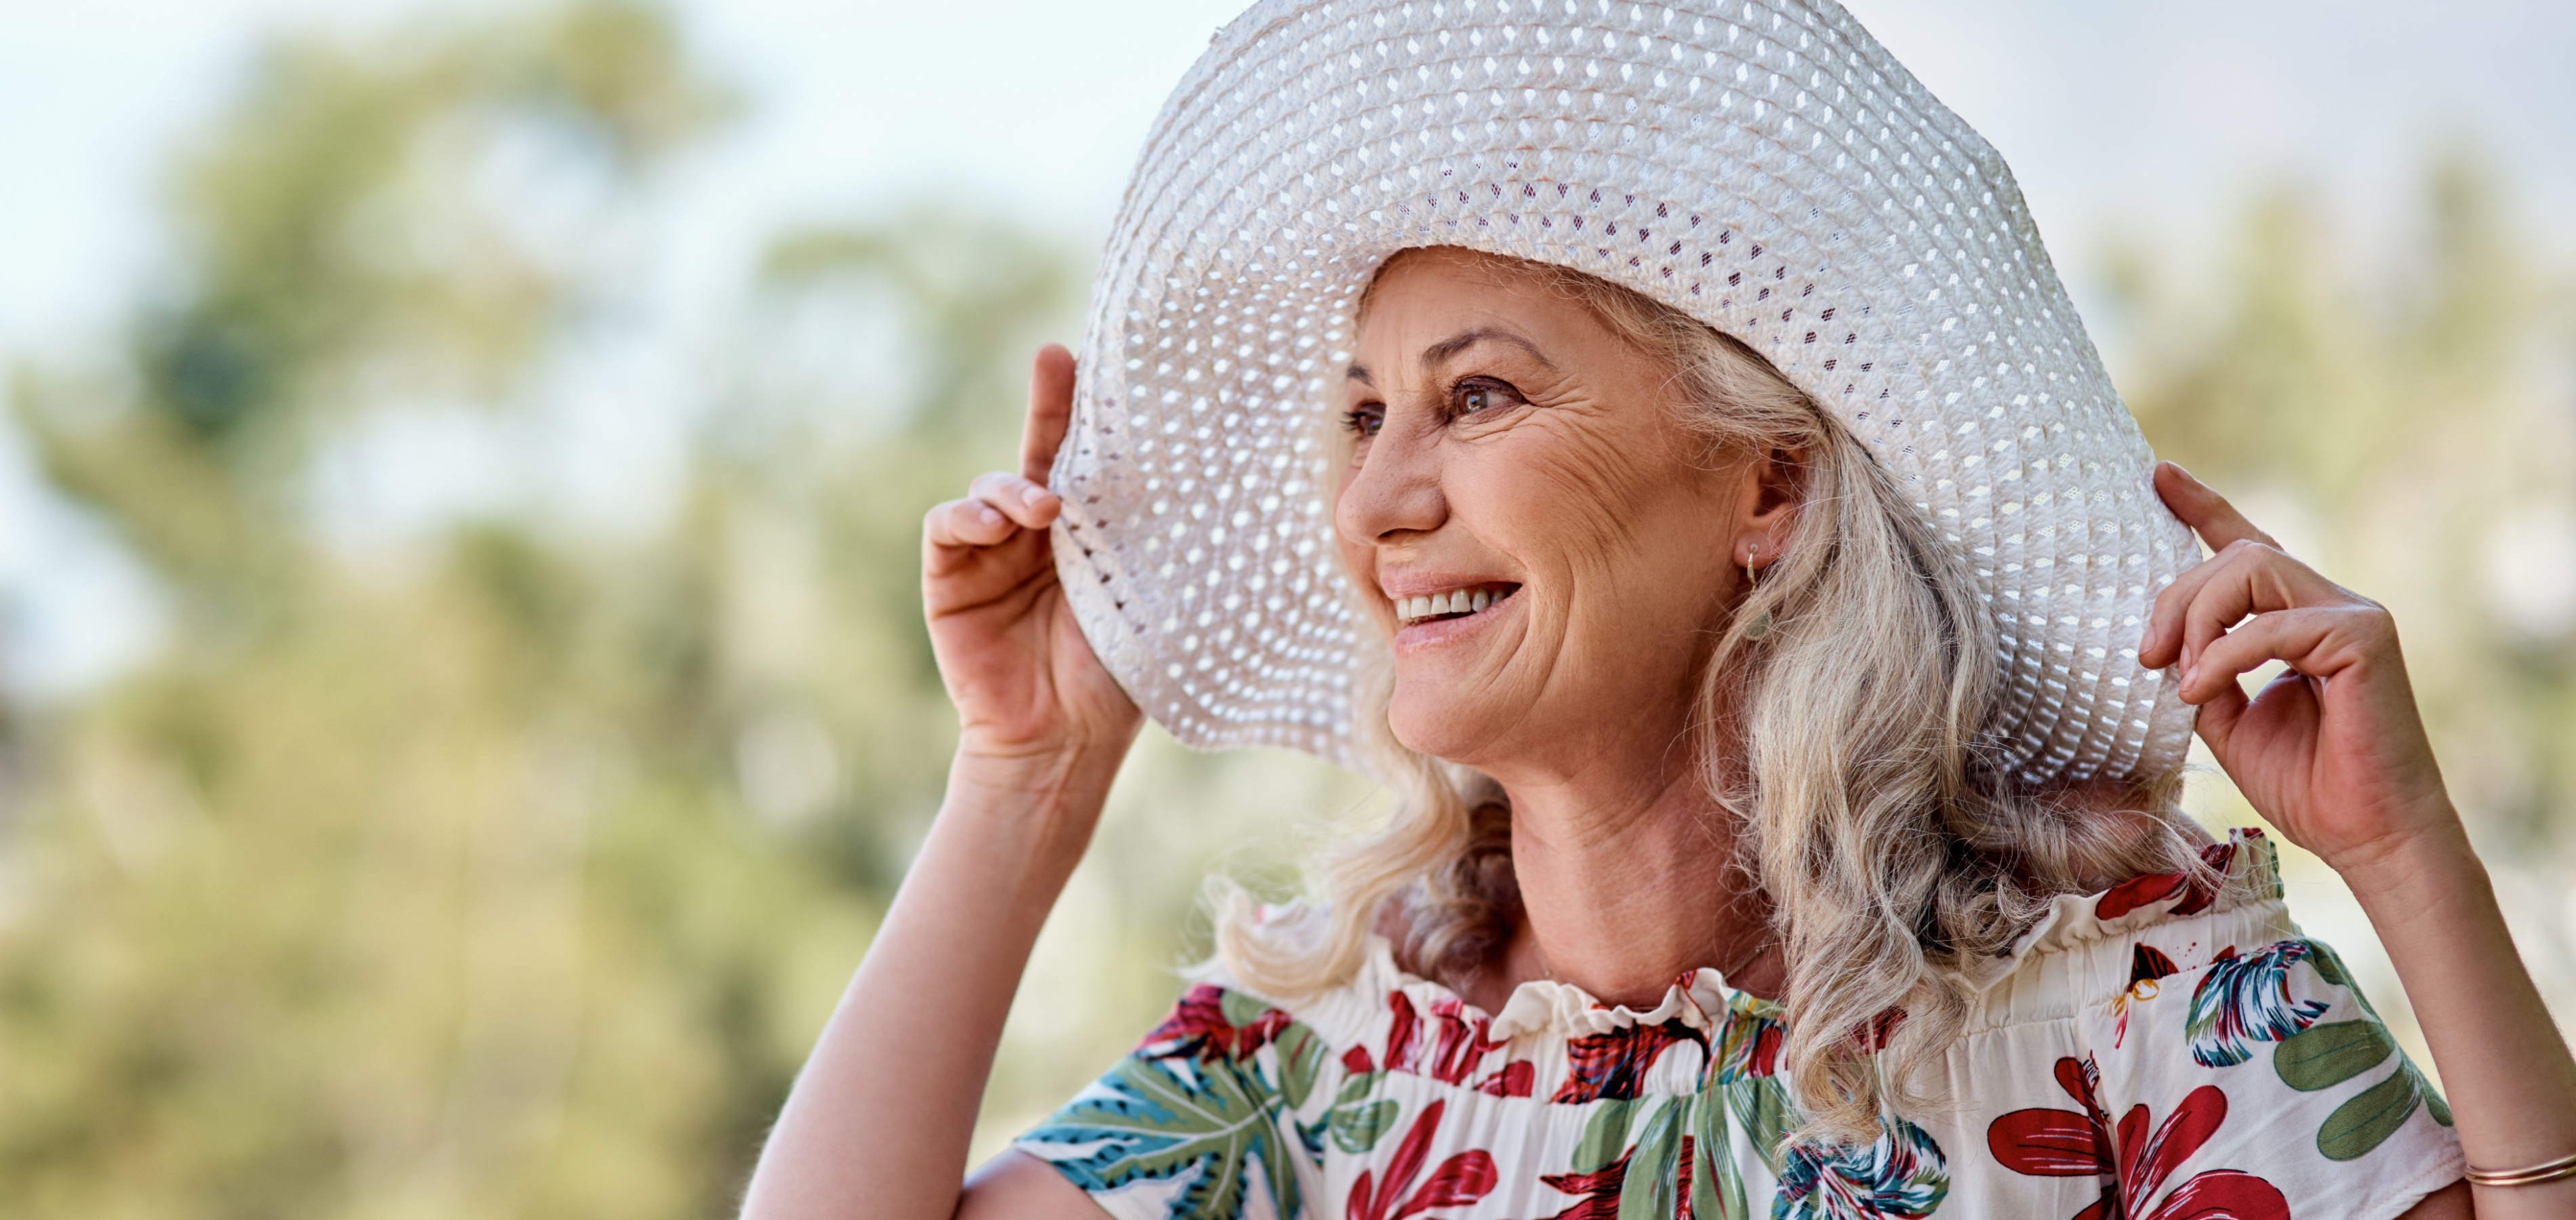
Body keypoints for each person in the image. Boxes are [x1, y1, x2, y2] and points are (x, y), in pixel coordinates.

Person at [739, 3, 2576, 1217]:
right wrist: (1029, 776)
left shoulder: (2117, 989)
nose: (1379, 500)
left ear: (1765, 487)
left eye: (1476, 398)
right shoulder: (1327, 1057)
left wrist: (2407, 858)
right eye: (1365, 412)